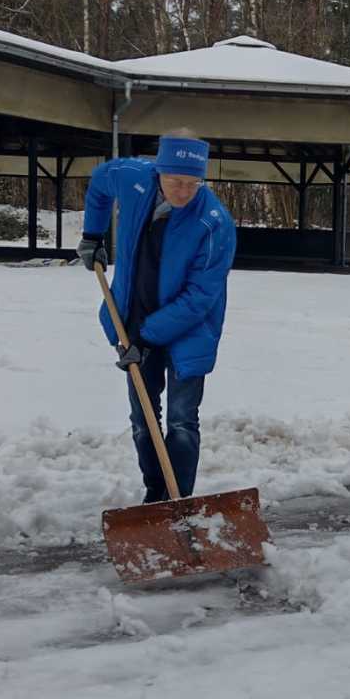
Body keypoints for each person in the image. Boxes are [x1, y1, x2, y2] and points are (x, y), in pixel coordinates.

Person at [77, 132, 236, 504]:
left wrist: (144, 338)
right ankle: (155, 496)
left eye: (193, 183)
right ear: (158, 172)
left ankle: (178, 500)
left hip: (189, 331)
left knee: (182, 419)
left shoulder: (214, 222)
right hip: (134, 318)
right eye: (176, 181)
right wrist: (92, 235)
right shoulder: (132, 178)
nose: (184, 191)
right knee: (142, 419)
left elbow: (199, 298)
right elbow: (99, 183)